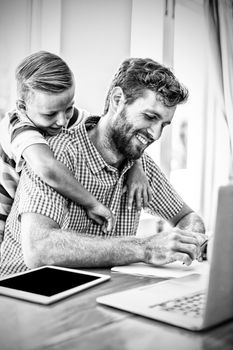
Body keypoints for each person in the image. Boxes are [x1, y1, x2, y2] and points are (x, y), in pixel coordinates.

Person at [0, 57, 206, 276]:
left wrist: (188, 242)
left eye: (163, 125)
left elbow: (188, 218)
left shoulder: (139, 163)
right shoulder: (54, 151)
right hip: (22, 293)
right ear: (117, 100)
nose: (156, 134)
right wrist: (146, 248)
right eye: (149, 117)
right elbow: (39, 250)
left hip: (91, 294)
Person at [0, 51, 151, 250]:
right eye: (50, 114)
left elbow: (111, 134)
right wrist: (92, 203)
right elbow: (48, 168)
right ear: (22, 106)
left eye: (69, 108)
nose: (62, 121)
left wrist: (135, 165)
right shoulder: (18, 124)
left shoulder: (68, 116)